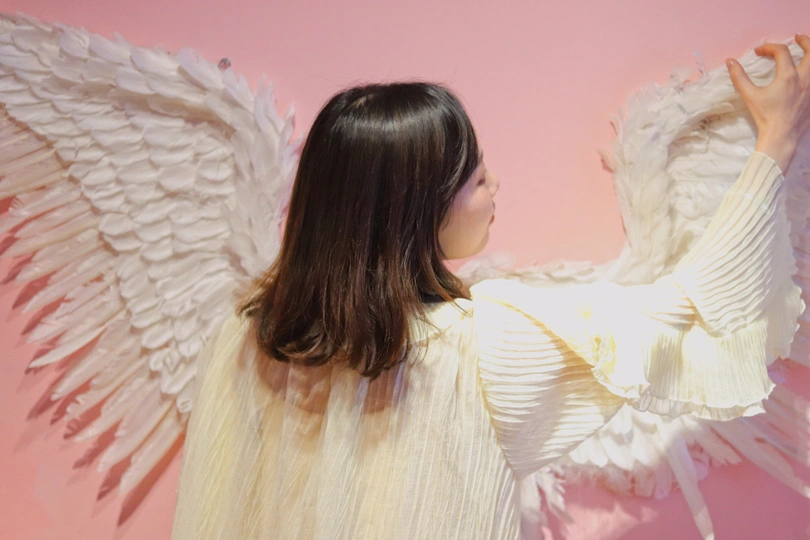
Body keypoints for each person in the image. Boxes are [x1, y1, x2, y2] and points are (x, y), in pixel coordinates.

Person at [171, 37, 810, 539]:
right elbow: (685, 307)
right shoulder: (480, 346)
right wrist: (775, 142)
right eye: (477, 177)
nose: (495, 183)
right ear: (420, 208)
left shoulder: (243, 338)